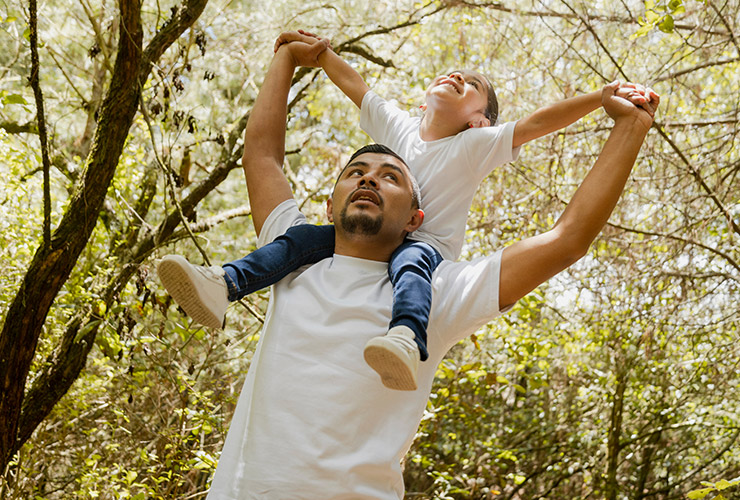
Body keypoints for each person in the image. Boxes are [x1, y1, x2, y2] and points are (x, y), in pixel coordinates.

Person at [158, 35, 657, 498]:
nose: (369, 180)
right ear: (329, 208)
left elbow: (567, 240)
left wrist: (628, 122)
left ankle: (403, 336)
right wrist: (286, 58)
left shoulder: (436, 287)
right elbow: (262, 158)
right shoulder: (291, 257)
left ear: (414, 218)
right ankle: (223, 282)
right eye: (356, 172)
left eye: (391, 177)